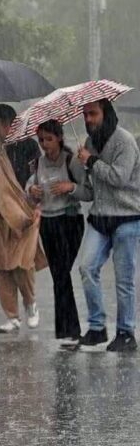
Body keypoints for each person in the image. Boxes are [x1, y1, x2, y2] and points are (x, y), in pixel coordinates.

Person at [74, 99, 140, 351]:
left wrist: (92, 162)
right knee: (86, 267)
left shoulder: (124, 141)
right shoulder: (90, 143)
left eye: (93, 113)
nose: (88, 119)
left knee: (124, 279)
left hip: (127, 217)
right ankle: (97, 327)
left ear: (106, 113)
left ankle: (126, 332)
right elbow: (90, 190)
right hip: (99, 218)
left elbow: (118, 178)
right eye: (85, 115)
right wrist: (73, 186)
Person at [0, 104, 46, 334]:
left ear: (8, 123)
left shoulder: (29, 146)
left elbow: (39, 176)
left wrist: (36, 199)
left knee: (22, 262)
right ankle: (12, 316)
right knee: (1, 265)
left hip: (24, 212)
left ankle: (30, 303)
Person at [26, 120, 90, 343]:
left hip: (70, 221)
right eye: (41, 140)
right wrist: (32, 191)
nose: (45, 144)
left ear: (60, 138)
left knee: (62, 273)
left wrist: (70, 187)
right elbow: (28, 191)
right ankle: (67, 330)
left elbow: (88, 192)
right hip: (48, 224)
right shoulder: (37, 164)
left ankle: (70, 329)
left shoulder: (71, 161)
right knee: (59, 275)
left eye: (49, 139)